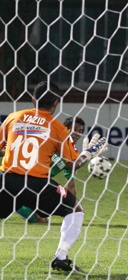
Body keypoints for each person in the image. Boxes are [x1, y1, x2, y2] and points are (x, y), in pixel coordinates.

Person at [0, 81, 108, 272]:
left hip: (6, 180)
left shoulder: (13, 118)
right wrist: (88, 153)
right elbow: (74, 164)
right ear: (56, 103)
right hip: (37, 185)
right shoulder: (57, 127)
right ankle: (60, 257)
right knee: (75, 209)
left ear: (32, 99)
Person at [14, 117, 86, 223]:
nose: (77, 134)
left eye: (80, 131)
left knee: (42, 220)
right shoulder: (50, 141)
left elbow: (71, 184)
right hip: (19, 180)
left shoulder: (70, 156)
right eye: (74, 129)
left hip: (37, 188)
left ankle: (13, 203)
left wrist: (71, 205)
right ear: (65, 129)